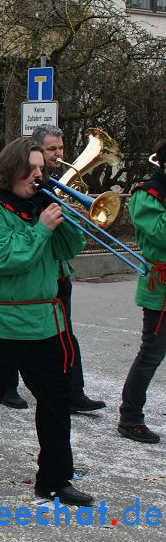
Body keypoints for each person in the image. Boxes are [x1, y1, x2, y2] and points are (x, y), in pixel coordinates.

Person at [0, 137, 93, 506]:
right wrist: (43, 226)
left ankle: (55, 479)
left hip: (44, 320)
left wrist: (62, 219)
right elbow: (8, 260)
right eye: (31, 169)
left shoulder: (40, 204)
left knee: (56, 400)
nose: (39, 175)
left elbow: (67, 251)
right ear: (11, 170)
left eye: (42, 169)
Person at [23, 124, 106, 413]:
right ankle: (8, 388)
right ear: (35, 151)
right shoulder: (25, 187)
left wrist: (77, 217)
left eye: (60, 148)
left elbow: (70, 243)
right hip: (33, 273)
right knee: (23, 341)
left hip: (59, 272)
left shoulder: (59, 181)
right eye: (51, 149)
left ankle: (74, 391)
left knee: (66, 333)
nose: (58, 154)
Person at [117, 139, 166, 444]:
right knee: (151, 354)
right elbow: (161, 234)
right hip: (160, 289)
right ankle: (130, 417)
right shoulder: (145, 193)